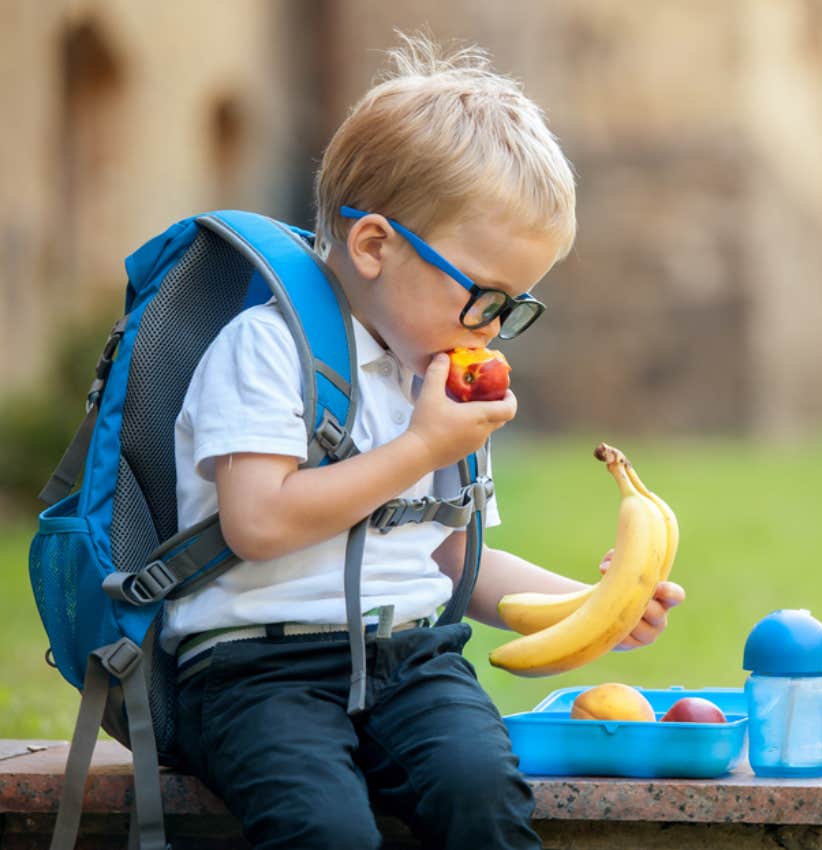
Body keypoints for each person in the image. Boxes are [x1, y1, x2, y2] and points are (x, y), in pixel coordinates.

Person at [165, 33, 685, 850]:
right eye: (484, 294)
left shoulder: (437, 380)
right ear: (374, 246)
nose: (492, 325)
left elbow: (450, 559)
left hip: (412, 660)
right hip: (256, 671)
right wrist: (418, 447)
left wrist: (597, 607)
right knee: (325, 830)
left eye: (514, 305)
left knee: (483, 794)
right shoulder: (268, 351)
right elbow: (256, 524)